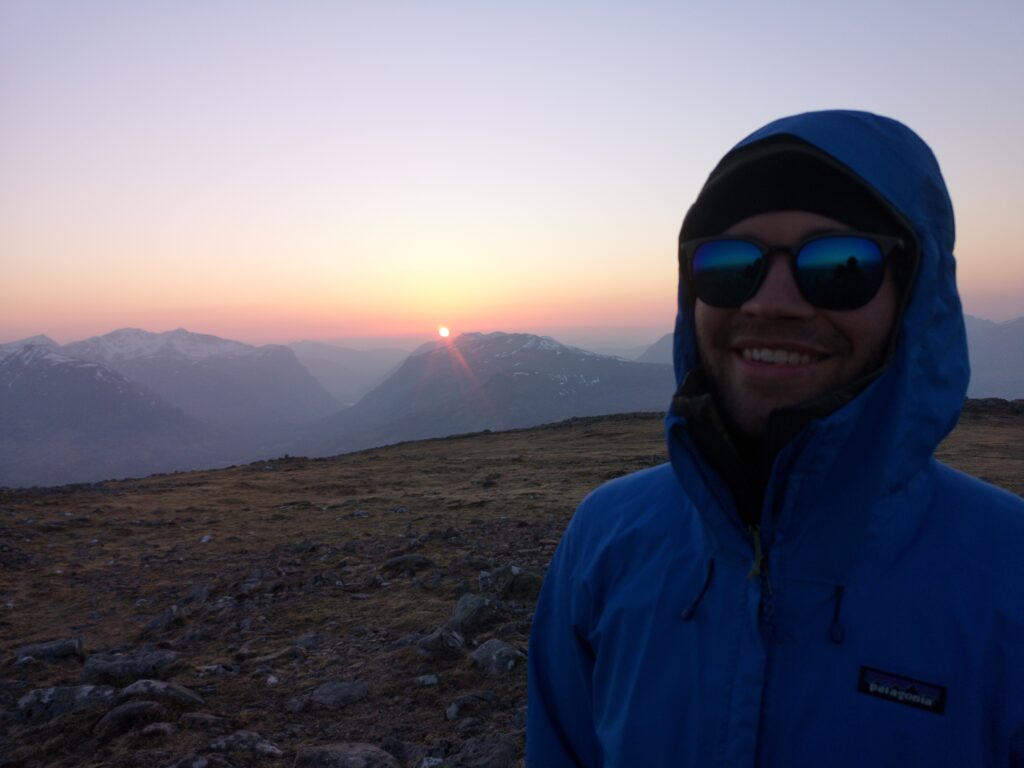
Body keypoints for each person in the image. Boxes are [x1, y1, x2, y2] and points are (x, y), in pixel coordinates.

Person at [526, 110, 1024, 766]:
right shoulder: (605, 543)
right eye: (730, 264)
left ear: (913, 297)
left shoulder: (1008, 574)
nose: (771, 302)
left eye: (839, 264)